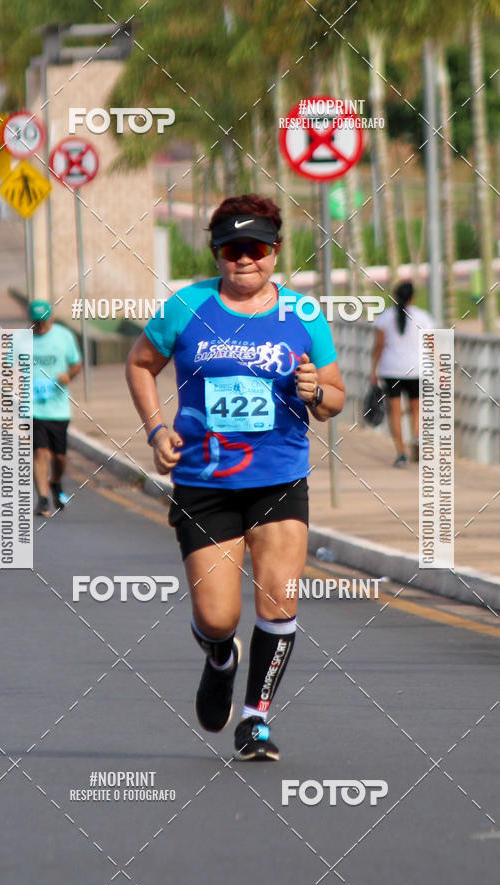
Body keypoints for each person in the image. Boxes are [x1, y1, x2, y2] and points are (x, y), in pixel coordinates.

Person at [127, 194, 345, 760]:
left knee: (279, 600)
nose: (244, 259)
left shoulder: (303, 315)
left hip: (279, 477)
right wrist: (156, 431)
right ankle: (221, 657)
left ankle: (256, 720)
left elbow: (336, 396)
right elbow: (141, 364)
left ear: (276, 251)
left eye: (256, 248)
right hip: (205, 482)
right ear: (216, 252)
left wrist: (316, 392)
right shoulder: (187, 305)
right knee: (217, 616)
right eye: (231, 249)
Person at [370, 281, 435, 467]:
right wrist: (437, 368)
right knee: (417, 409)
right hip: (417, 369)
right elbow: (431, 345)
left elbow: (379, 346)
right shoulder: (423, 317)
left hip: (391, 370)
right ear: (412, 298)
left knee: (395, 412)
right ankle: (416, 438)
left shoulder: (384, 318)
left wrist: (373, 372)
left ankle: (400, 453)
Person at [30, 299, 82, 516]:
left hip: (58, 408)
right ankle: (42, 499)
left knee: (60, 458)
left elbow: (76, 363)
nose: (40, 325)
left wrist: (68, 376)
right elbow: (8, 367)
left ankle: (55, 481)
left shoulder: (64, 336)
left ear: (51, 318)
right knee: (40, 451)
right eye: (36, 321)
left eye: (43, 320)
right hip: (33, 408)